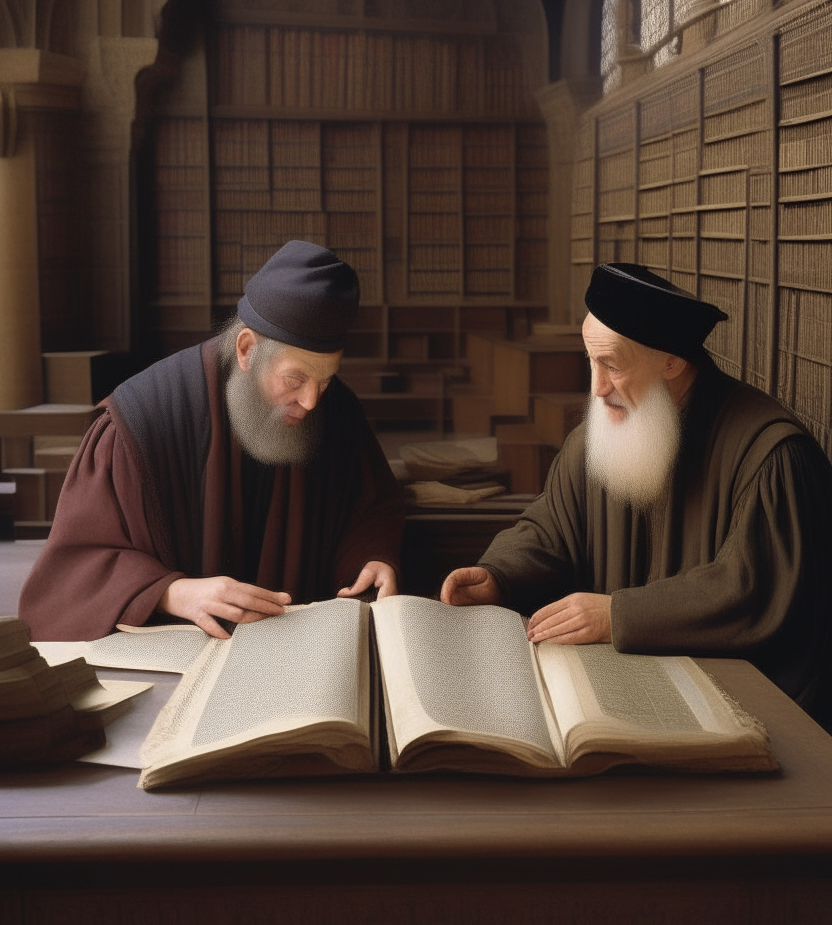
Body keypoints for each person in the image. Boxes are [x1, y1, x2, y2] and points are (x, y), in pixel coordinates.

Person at [441, 262, 832, 729]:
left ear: (671, 361)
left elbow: (751, 591)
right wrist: (499, 575)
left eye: (611, 365)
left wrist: (617, 616)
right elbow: (551, 529)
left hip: (734, 712)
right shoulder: (601, 435)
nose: (597, 388)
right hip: (622, 694)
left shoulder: (772, 455)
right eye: (590, 361)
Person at [20, 241, 404, 640]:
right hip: (179, 660)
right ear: (247, 350)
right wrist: (169, 591)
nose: (310, 401)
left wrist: (371, 558)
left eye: (324, 380)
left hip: (300, 654)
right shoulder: (142, 417)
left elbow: (371, 511)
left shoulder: (336, 411)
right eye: (295, 380)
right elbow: (72, 572)